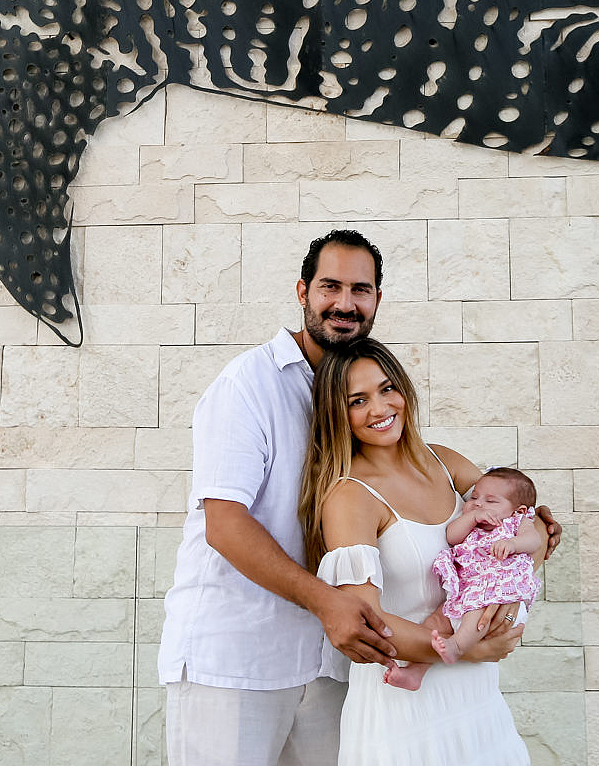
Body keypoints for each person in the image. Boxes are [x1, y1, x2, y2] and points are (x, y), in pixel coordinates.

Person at [158, 230, 557, 765]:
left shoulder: (393, 429)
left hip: (335, 666)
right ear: (303, 291)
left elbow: (485, 502)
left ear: (375, 301)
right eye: (330, 287)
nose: (345, 303)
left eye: (360, 290)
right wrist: (330, 602)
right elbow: (224, 524)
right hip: (238, 654)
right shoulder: (248, 385)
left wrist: (531, 527)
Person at [299, 338, 536, 765]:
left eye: (388, 388)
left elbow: (524, 521)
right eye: (357, 400)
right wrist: (470, 648)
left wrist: (496, 615)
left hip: (477, 698)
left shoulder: (445, 463)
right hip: (402, 713)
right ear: (337, 414)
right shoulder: (350, 496)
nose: (379, 408)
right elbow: (363, 625)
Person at [381, 467, 545, 691]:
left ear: (518, 510)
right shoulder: (471, 522)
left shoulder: (517, 523)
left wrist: (513, 544)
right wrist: (472, 517)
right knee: (435, 623)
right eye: (475, 497)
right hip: (467, 593)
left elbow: (534, 541)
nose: (478, 504)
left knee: (475, 615)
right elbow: (452, 536)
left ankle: (457, 646)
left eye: (490, 501)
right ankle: (414, 673)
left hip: (496, 591)